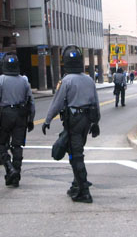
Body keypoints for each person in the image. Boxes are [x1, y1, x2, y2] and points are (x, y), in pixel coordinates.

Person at [42, 45, 101, 203]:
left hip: (73, 121)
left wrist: (47, 120)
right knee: (78, 151)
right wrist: (96, 123)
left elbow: (57, 104)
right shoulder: (89, 79)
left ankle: (84, 191)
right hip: (87, 120)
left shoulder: (66, 81)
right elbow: (95, 102)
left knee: (76, 156)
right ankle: (77, 184)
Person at [0, 53, 35, 188]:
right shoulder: (24, 80)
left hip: (5, 115)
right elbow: (31, 101)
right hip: (20, 115)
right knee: (17, 145)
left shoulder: (0, 80)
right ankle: (16, 174)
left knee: (0, 144)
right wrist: (31, 118)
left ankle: (9, 168)